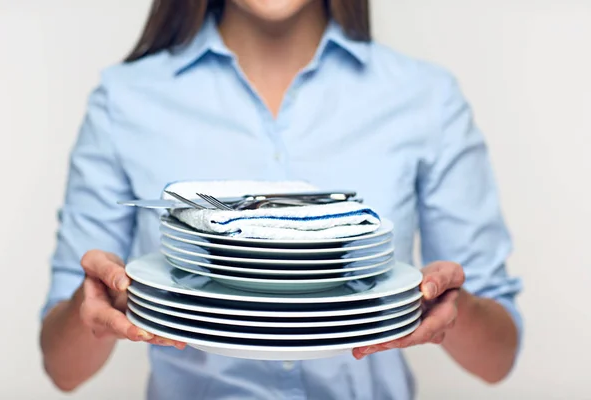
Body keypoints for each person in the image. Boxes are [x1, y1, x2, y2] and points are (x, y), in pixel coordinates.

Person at [39, 1, 523, 399]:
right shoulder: (125, 100)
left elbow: (498, 358)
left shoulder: (426, 98)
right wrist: (92, 309)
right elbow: (63, 369)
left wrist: (452, 309)